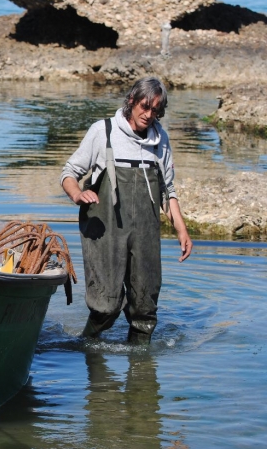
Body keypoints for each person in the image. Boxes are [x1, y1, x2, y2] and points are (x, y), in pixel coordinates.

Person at [60, 77, 193, 344]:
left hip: (145, 232)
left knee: (144, 309)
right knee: (105, 307)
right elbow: (69, 173)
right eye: (145, 106)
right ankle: (86, 347)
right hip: (105, 231)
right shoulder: (103, 132)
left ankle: (141, 374)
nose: (149, 115)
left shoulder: (161, 140)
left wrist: (182, 229)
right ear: (131, 101)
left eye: (156, 110)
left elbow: (168, 191)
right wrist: (77, 194)